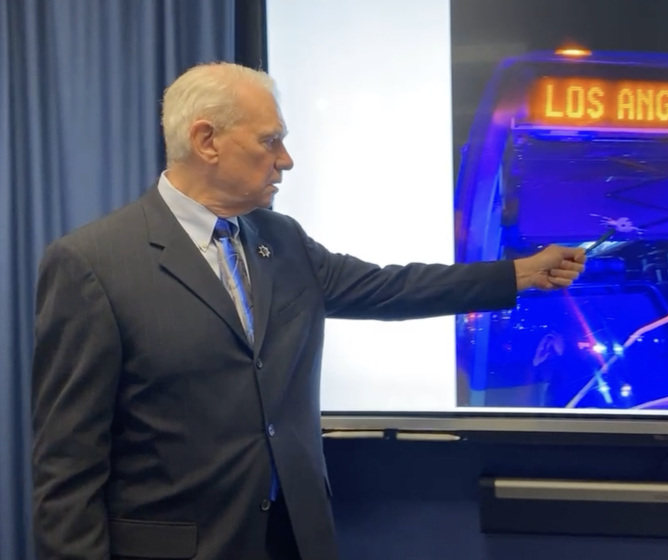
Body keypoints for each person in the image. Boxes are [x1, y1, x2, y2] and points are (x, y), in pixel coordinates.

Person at [31, 62, 586, 560]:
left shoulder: (282, 239)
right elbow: (67, 469)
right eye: (270, 141)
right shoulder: (93, 264)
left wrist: (518, 273)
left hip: (295, 539)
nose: (286, 160)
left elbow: (390, 288)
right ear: (207, 141)